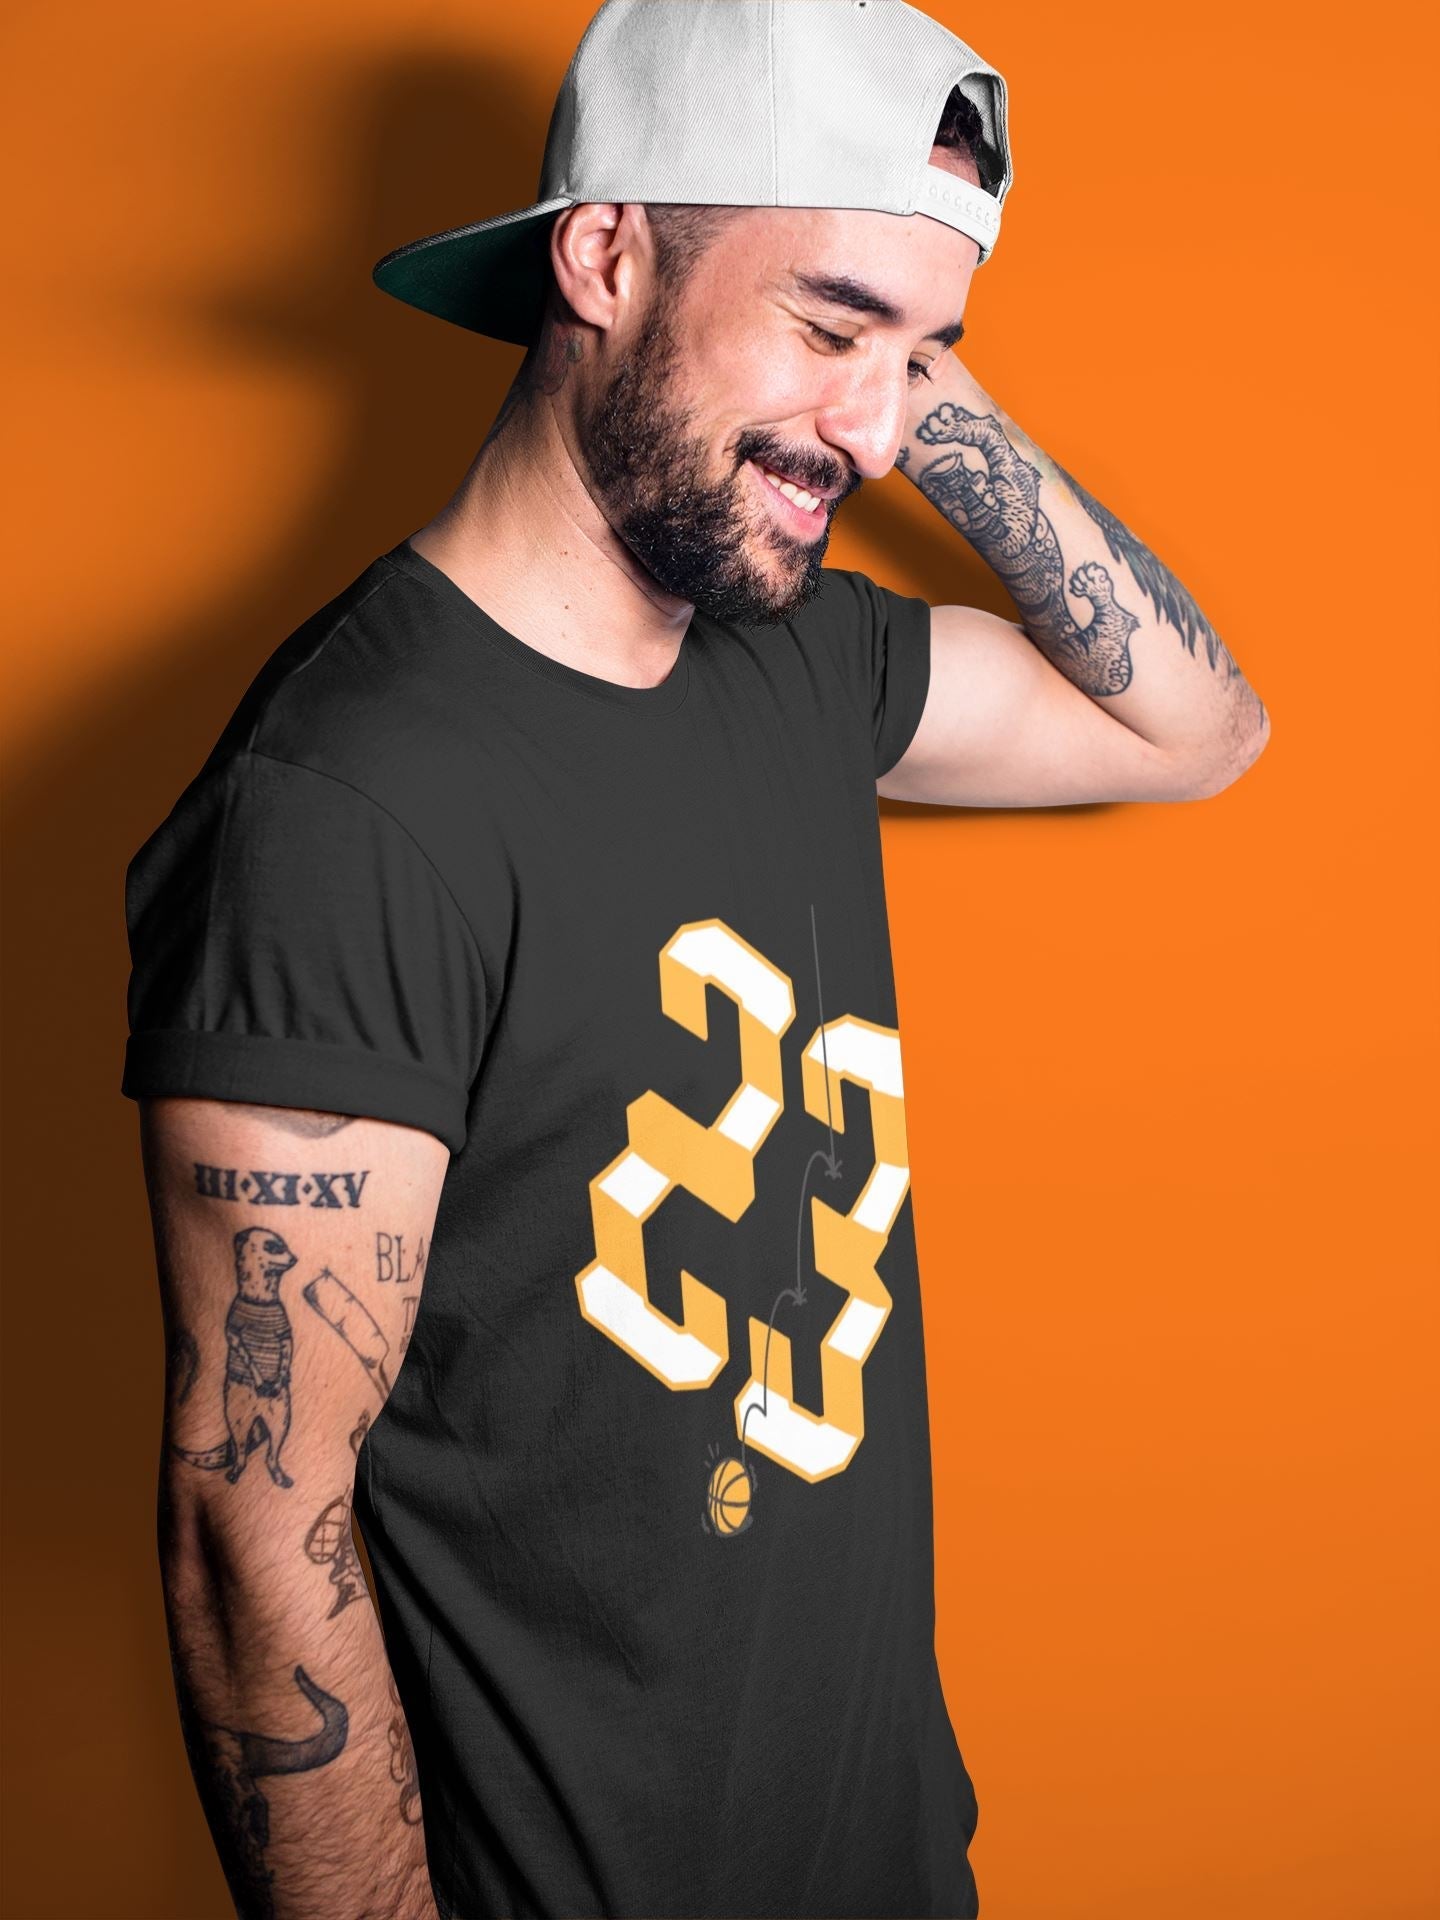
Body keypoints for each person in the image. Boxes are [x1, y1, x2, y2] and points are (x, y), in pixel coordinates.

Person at [120, 3, 1268, 1916]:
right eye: (827, 325)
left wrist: (892, 361)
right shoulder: (348, 804)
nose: (878, 432)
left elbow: (1199, 730)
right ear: (603, 256)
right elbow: (256, 1539)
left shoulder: (800, 659)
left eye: (925, 356)